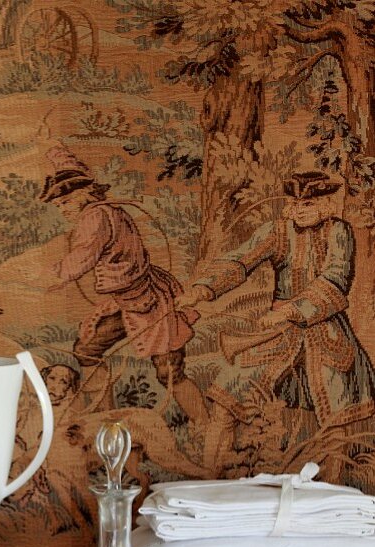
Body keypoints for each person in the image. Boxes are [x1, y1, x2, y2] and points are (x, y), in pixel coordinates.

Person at [177, 171, 375, 424]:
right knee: (227, 402)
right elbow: (239, 260)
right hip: (278, 333)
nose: (299, 210)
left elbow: (336, 278)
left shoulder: (339, 231)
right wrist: (201, 290)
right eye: (294, 204)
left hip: (328, 335)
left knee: (338, 415)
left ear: (325, 205)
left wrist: (292, 310)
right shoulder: (278, 230)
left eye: (308, 204)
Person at [40, 163, 205, 422]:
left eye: (66, 201)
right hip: (127, 302)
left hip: (150, 303)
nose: (63, 209)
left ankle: (205, 426)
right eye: (58, 205)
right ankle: (107, 418)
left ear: (85, 193)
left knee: (169, 372)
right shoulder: (104, 212)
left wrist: (49, 276)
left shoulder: (95, 217)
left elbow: (84, 256)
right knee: (87, 348)